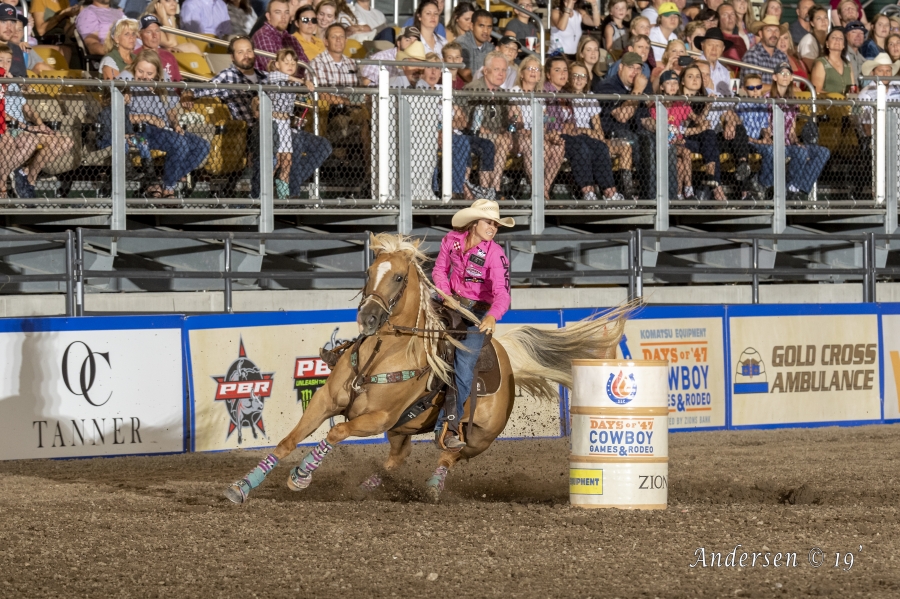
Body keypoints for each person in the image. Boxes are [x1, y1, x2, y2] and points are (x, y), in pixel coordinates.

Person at [191, 36, 330, 198]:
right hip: (252, 128)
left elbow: (285, 83)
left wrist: (304, 84)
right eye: (240, 52)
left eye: (249, 51)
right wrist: (188, 92)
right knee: (291, 144)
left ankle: (290, 184)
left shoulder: (265, 75)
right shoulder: (228, 76)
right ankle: (274, 195)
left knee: (323, 146)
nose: (246, 55)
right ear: (232, 56)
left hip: (282, 125)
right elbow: (203, 89)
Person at [431, 199, 512, 451]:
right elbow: (439, 271)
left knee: (464, 365)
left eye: (496, 225)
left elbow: (502, 293)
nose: (493, 228)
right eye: (489, 222)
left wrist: (492, 316)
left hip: (475, 314)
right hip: (445, 302)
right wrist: (445, 294)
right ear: (474, 223)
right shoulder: (451, 240)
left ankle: (449, 426)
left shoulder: (495, 254)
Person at [115, 50, 210, 199]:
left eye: (149, 74)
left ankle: (164, 182)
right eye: (140, 71)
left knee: (202, 146)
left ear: (157, 74)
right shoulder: (127, 80)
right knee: (179, 143)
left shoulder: (162, 82)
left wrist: (176, 124)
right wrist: (147, 117)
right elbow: (117, 115)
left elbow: (171, 110)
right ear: (134, 68)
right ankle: (169, 189)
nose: (144, 77)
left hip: (163, 129)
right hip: (139, 129)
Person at [554, 59, 624, 201]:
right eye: (575, 76)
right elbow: (563, 126)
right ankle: (588, 192)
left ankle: (610, 192)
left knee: (601, 147)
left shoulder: (590, 98)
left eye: (583, 76)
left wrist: (584, 131)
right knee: (582, 147)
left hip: (585, 136)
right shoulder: (563, 96)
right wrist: (584, 131)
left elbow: (598, 132)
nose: (579, 80)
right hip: (569, 137)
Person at [593, 51, 657, 198]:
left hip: (638, 134)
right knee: (636, 140)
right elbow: (622, 117)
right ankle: (635, 193)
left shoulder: (641, 87)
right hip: (614, 134)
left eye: (638, 69)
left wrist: (663, 129)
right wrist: (637, 91)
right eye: (631, 67)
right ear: (621, 67)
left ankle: (663, 193)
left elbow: (644, 120)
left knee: (658, 141)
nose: (635, 72)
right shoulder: (607, 86)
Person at [768, 61, 830, 200]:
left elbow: (792, 129)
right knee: (800, 153)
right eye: (781, 73)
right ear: (775, 77)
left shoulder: (793, 100)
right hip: (774, 143)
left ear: (791, 78)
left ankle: (799, 189)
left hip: (790, 143)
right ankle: (791, 189)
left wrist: (796, 141)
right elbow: (765, 125)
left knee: (823, 152)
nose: (785, 76)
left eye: (788, 73)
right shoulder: (768, 98)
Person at [462, 51, 512, 198]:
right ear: (485, 70)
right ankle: (493, 189)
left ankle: (494, 188)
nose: (501, 74)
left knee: (504, 139)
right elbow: (465, 119)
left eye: (504, 70)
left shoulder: (503, 94)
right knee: (500, 140)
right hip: (473, 135)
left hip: (495, 136)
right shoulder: (473, 89)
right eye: (497, 69)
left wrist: (509, 128)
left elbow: (507, 122)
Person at [678, 63, 726, 200]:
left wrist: (707, 105)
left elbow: (699, 121)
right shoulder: (678, 99)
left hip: (694, 140)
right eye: (690, 76)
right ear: (682, 81)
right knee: (710, 143)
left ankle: (711, 178)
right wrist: (699, 128)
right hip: (677, 141)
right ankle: (717, 188)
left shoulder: (698, 100)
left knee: (709, 135)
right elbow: (680, 131)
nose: (695, 79)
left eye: (698, 76)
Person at [648, 69, 693, 198]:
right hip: (663, 143)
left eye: (675, 83)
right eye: (669, 83)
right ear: (662, 87)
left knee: (679, 164)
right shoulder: (656, 104)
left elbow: (696, 120)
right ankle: (689, 190)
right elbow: (659, 128)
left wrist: (707, 106)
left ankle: (678, 194)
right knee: (686, 152)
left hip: (677, 143)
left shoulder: (680, 103)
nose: (673, 86)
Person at [252, 0, 310, 75]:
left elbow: (306, 66)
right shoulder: (263, 35)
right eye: (278, 12)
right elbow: (273, 68)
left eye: (286, 12)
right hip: (271, 85)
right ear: (268, 16)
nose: (284, 17)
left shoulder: (291, 39)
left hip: (294, 84)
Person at [856, 53, 900, 136]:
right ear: (872, 73)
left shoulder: (898, 86)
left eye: (888, 71)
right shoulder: (865, 94)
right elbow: (866, 127)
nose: (885, 74)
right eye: (880, 71)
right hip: (876, 140)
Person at [135, 14, 181, 82]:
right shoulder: (135, 56)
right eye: (149, 32)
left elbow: (179, 82)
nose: (154, 35)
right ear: (140, 35)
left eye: (157, 31)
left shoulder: (169, 56)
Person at [743, 15, 788, 85]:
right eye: (769, 30)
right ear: (760, 34)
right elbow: (755, 87)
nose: (773, 34)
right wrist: (781, 88)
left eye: (776, 30)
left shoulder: (782, 56)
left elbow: (787, 83)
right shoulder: (752, 54)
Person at [30, 0, 78, 64]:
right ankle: (63, 73)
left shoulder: (64, 2)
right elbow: (40, 31)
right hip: (46, 41)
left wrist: (78, 22)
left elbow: (67, 33)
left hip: (63, 40)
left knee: (78, 50)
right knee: (66, 50)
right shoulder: (39, 1)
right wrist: (62, 14)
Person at [810, 27, 852, 95]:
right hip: (827, 104)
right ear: (827, 43)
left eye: (841, 38)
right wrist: (837, 97)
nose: (837, 40)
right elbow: (816, 91)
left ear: (844, 45)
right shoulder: (821, 63)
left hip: (847, 104)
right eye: (833, 37)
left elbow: (853, 89)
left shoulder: (848, 64)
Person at [456, 8, 493, 83]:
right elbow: (465, 73)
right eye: (481, 26)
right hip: (464, 91)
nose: (485, 30)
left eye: (489, 27)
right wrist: (479, 89)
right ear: (472, 26)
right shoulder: (461, 43)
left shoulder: (490, 48)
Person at [696, 27, 733, 96]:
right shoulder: (695, 66)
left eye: (718, 46)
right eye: (710, 45)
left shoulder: (724, 72)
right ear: (702, 45)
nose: (714, 50)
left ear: (723, 48)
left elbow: (729, 98)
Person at [798, 5, 829, 72]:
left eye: (826, 18)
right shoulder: (808, 40)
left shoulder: (830, 39)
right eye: (818, 18)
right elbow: (810, 68)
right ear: (812, 23)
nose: (823, 21)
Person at [844, 20, 867, 85]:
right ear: (846, 35)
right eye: (853, 32)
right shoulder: (842, 54)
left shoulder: (862, 59)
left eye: (861, 33)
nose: (858, 36)